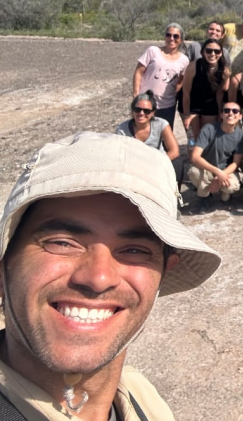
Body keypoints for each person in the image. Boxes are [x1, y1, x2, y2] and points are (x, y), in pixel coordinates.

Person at [0, 132, 220, 420]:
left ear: (163, 274)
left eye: (134, 250)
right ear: (4, 266)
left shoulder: (141, 397)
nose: (99, 277)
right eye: (62, 243)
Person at [188, 101, 243, 213]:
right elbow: (195, 157)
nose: (230, 113)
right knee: (193, 172)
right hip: (207, 169)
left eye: (235, 111)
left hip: (226, 171)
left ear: (240, 116)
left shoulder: (240, 135)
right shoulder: (209, 129)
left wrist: (221, 174)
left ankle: (225, 193)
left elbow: (236, 163)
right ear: (221, 115)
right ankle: (205, 197)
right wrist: (217, 172)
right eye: (226, 110)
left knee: (232, 186)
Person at [116, 90, 184, 184]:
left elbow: (175, 151)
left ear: (153, 113)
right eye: (137, 109)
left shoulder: (161, 124)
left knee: (177, 163)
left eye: (146, 111)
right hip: (134, 166)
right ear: (132, 110)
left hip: (158, 162)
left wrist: (155, 164)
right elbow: (121, 155)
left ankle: (175, 194)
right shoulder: (122, 130)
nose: (141, 113)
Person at [132, 22, 189, 126]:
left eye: (176, 36)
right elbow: (138, 72)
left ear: (181, 40)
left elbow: (180, 82)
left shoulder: (184, 60)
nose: (171, 38)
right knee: (141, 132)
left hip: (167, 106)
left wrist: (173, 96)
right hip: (145, 102)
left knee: (164, 135)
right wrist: (136, 94)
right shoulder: (153, 51)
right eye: (168, 35)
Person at [181, 38, 230, 144]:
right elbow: (185, 93)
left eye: (217, 51)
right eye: (209, 50)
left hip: (210, 104)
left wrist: (220, 112)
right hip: (191, 105)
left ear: (221, 53)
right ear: (203, 52)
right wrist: (186, 115)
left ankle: (202, 158)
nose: (213, 54)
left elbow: (221, 92)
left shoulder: (224, 69)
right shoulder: (193, 66)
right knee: (193, 138)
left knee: (207, 136)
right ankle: (192, 158)